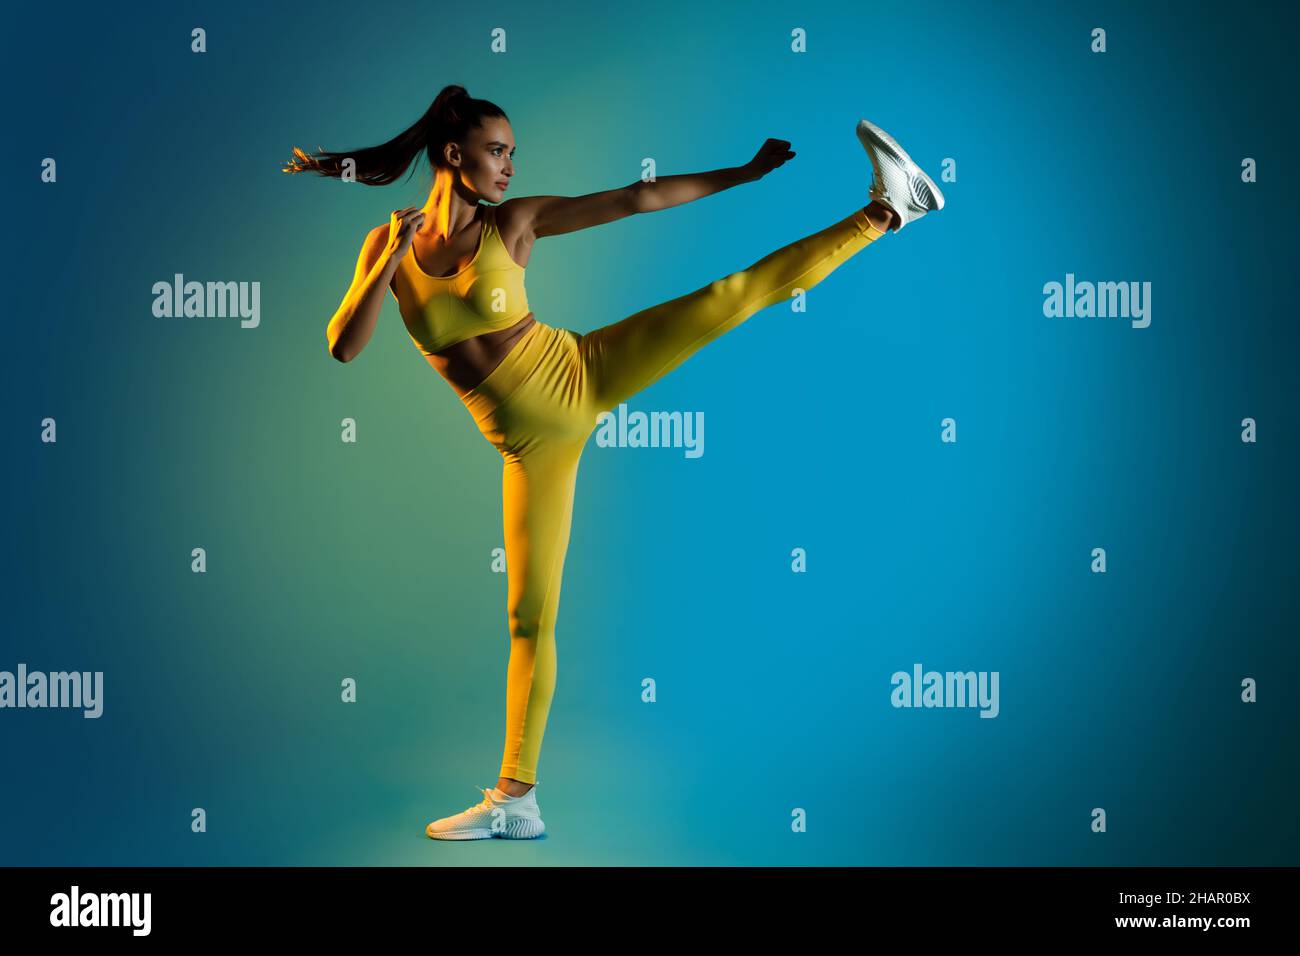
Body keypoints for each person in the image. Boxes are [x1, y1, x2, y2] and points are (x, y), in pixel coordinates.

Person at [284, 84, 945, 840]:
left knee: (731, 295)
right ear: (453, 153)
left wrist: (744, 174)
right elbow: (344, 343)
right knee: (529, 616)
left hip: (584, 369)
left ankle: (889, 210)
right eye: (497, 151)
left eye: (512, 154)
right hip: (530, 446)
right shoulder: (387, 246)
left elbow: (638, 199)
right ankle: (517, 803)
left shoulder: (518, 222)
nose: (507, 166)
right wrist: (386, 262)